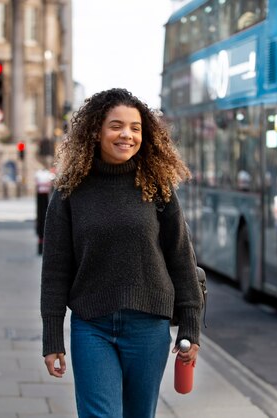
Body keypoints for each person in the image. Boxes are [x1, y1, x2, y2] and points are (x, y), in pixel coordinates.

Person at [40, 88, 203, 418]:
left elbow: (180, 257)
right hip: (92, 326)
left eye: (135, 128)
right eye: (116, 126)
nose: (126, 134)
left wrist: (190, 324)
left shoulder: (157, 186)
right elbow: (56, 268)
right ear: (96, 130)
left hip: (148, 328)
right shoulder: (70, 190)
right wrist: (52, 336)